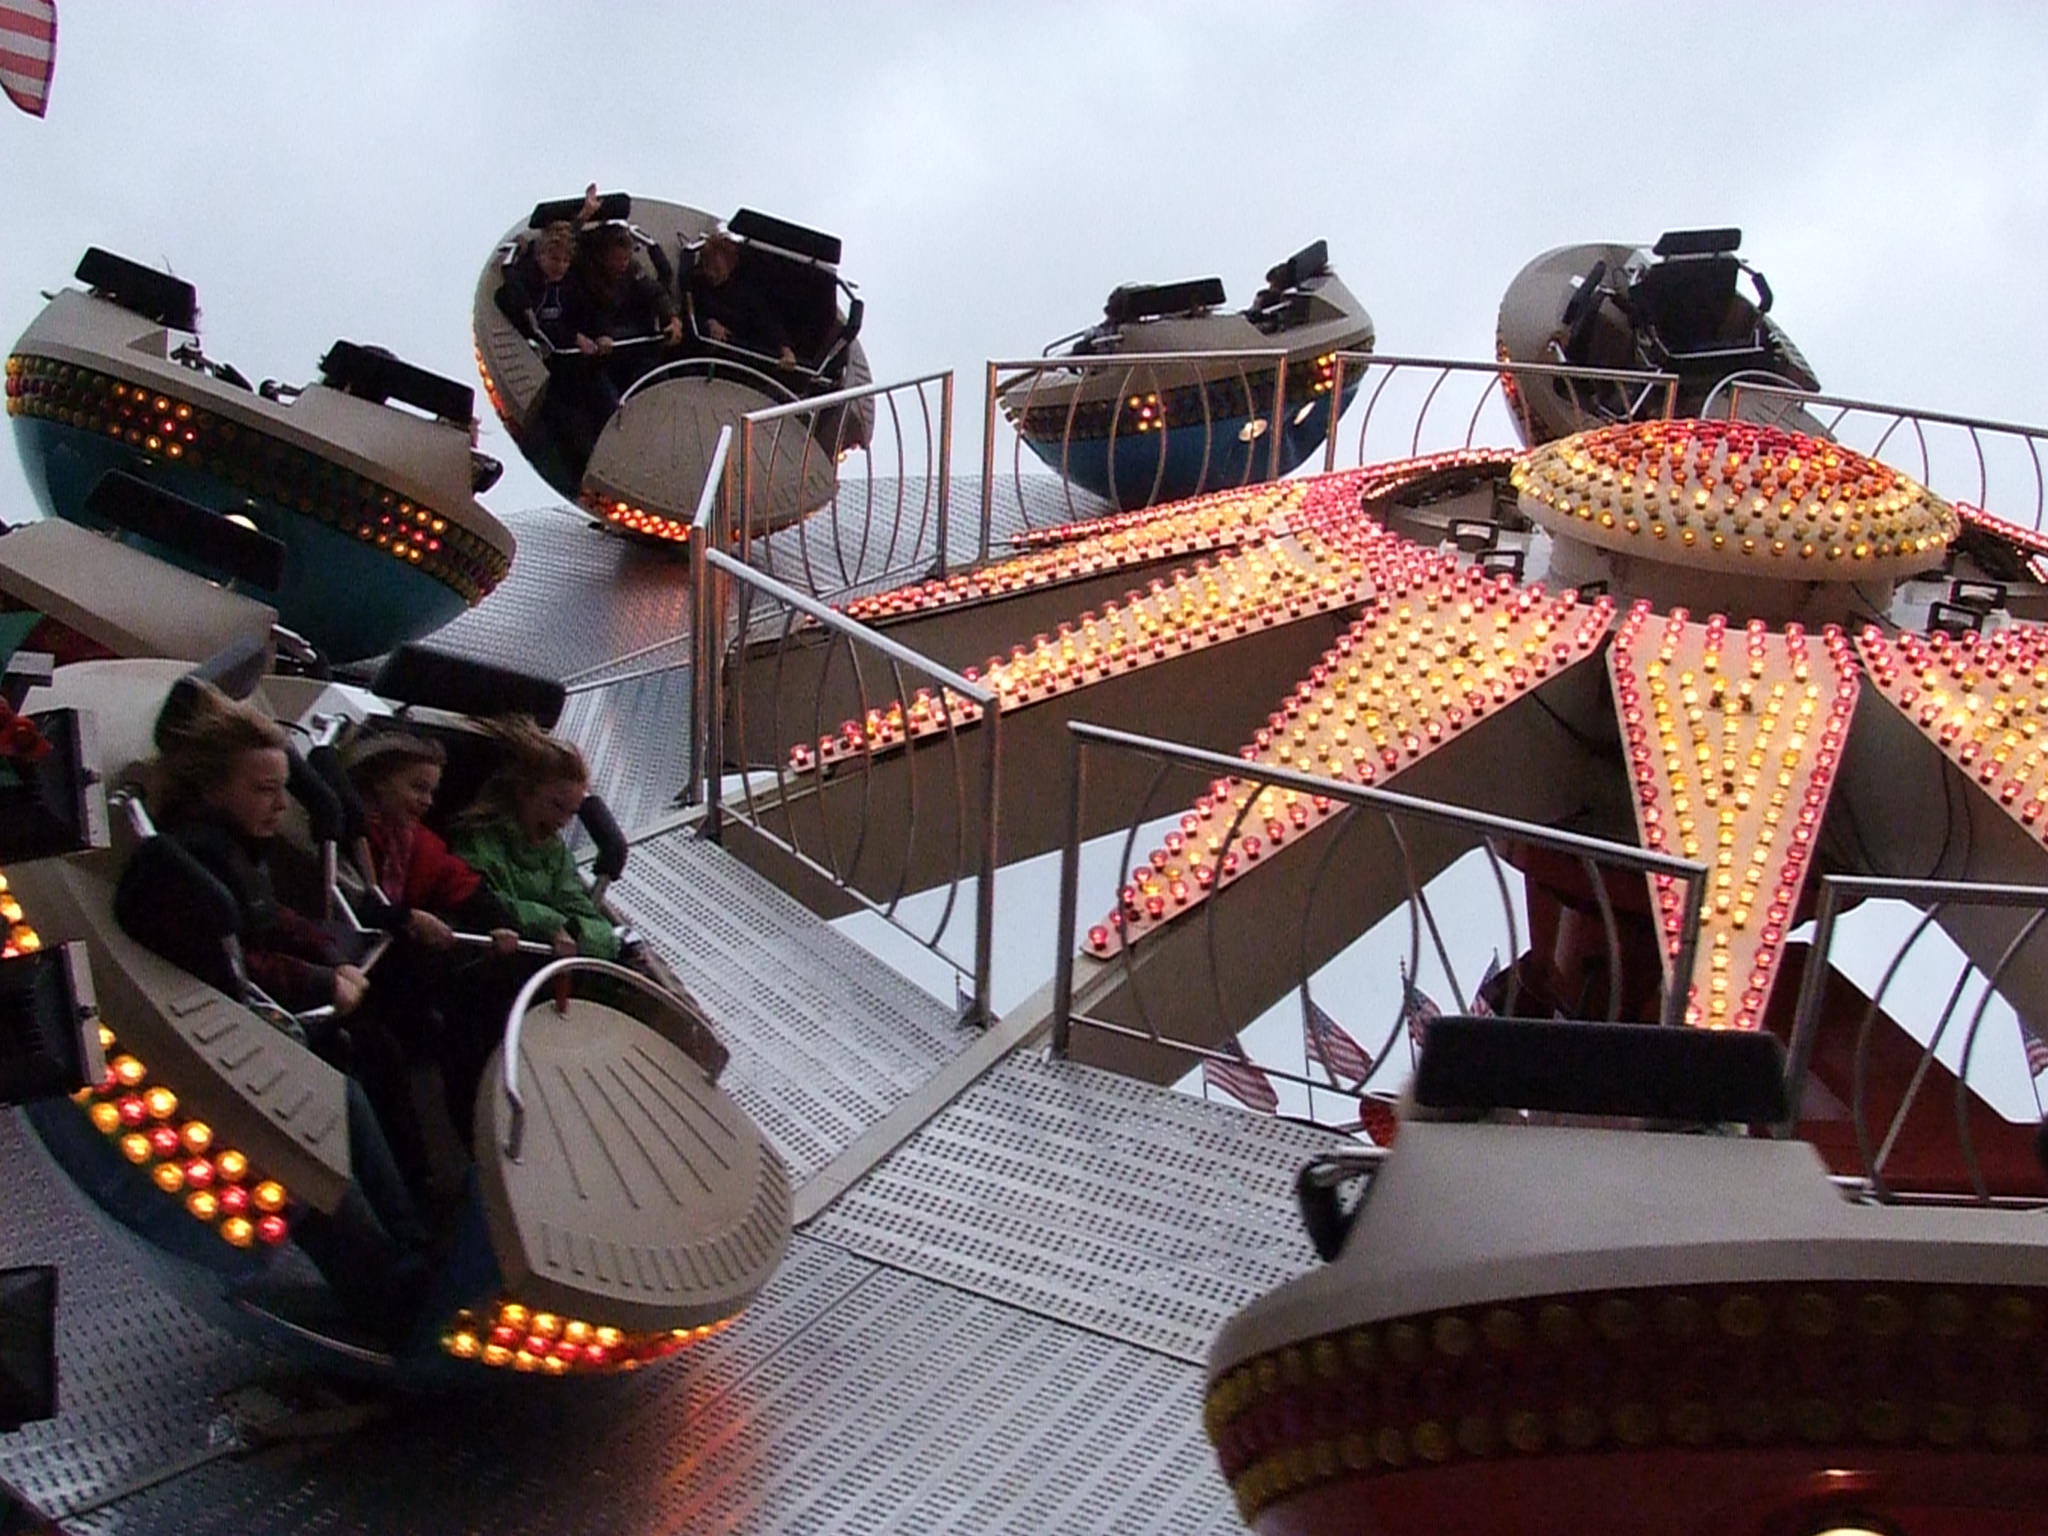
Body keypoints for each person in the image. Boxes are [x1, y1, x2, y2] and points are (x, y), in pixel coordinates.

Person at [114, 681, 429, 1339]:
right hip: (227, 1039)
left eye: (284, 790)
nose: (281, 805)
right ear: (213, 790)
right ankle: (393, 1279)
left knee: (364, 1071)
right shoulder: (193, 862)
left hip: (256, 1022)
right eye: (264, 791)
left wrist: (330, 951)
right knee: (322, 1128)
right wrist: (323, 979)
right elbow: (240, 957)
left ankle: (412, 1239)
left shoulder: (231, 850)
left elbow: (266, 918)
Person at [449, 718, 619, 963]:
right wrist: (549, 925)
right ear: (525, 792)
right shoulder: (479, 838)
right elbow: (481, 900)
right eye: (557, 806)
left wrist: (579, 934)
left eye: (571, 813)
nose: (563, 821)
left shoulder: (556, 854)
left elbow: (583, 911)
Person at [683, 232, 797, 367]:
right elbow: (686, 315)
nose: (711, 273)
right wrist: (708, 323)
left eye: (717, 269)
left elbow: (767, 321)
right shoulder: (696, 286)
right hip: (700, 352)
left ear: (730, 265)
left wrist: (786, 350)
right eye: (707, 266)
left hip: (737, 356)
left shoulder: (745, 293)